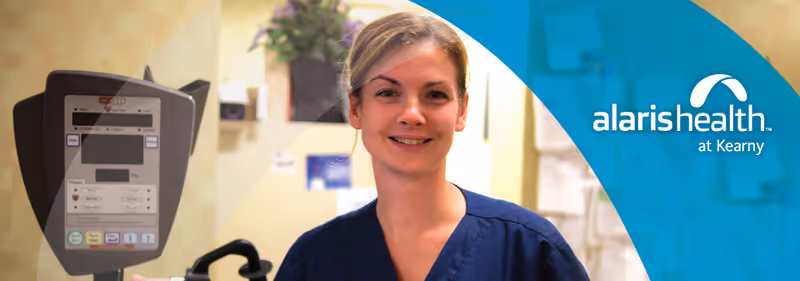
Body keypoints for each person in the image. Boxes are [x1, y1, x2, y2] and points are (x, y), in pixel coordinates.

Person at [136, 11, 589, 281]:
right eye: (388, 92)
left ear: (462, 110)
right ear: (356, 109)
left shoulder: (529, 249)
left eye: (435, 94)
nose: (412, 113)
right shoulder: (316, 259)